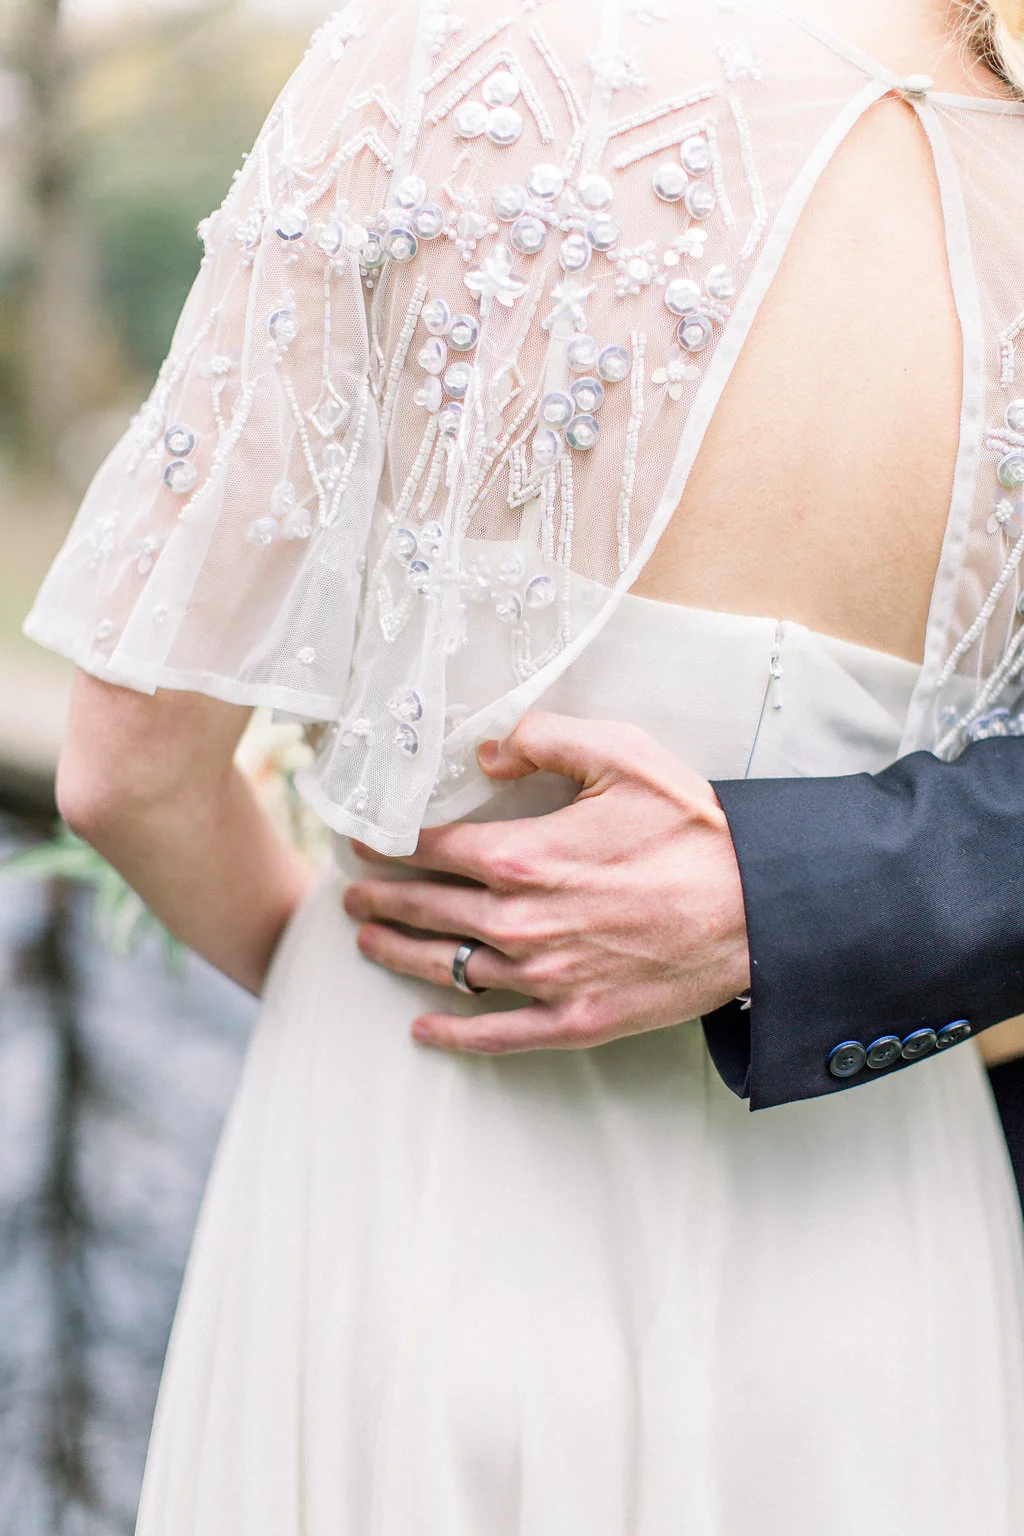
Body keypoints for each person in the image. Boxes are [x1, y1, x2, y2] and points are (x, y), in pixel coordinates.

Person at [24, 0, 1024, 1528]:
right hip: (879, 1246)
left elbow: (125, 771)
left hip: (418, 1175)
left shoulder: (436, 51)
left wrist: (351, 976)